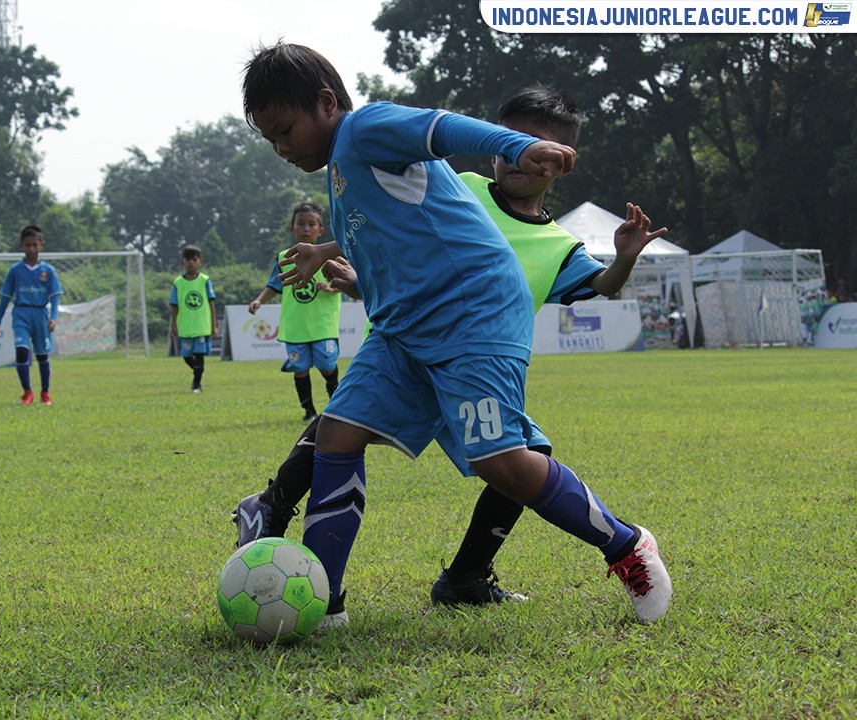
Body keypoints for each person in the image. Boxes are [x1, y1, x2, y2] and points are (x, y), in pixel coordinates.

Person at [239, 43, 672, 629]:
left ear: (325, 102)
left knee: (502, 463)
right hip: (402, 331)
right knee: (336, 434)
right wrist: (326, 252)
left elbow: (439, 127)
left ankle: (627, 547)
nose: (282, 148)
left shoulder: (364, 127)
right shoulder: (342, 178)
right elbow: (399, 244)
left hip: (474, 317)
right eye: (270, 139)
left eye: (285, 130)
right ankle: (325, 599)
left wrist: (519, 145)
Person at [249, 202, 342, 421]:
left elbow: (350, 281)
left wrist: (332, 287)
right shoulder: (284, 258)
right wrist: (259, 300)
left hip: (323, 325)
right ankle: (309, 412)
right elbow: (275, 285)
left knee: (327, 367)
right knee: (300, 369)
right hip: (295, 327)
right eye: (301, 224)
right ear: (292, 228)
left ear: (320, 230)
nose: (306, 229)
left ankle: (337, 410)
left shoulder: (331, 255)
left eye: (312, 224)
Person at [0, 224, 63, 406]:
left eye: (34, 245)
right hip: (21, 313)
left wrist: (53, 317)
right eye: (27, 245)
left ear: (41, 246)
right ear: (21, 246)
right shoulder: (15, 270)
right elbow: (5, 296)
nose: (31, 248)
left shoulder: (48, 271)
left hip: (40, 314)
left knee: (41, 356)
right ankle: (27, 393)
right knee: (22, 351)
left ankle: (45, 393)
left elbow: (55, 296)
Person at [170, 245, 217, 393]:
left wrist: (214, 325)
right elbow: (174, 305)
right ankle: (198, 370)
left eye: (194, 259)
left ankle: (196, 385)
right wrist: (173, 326)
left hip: (202, 326)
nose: (191, 262)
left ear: (200, 262)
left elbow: (211, 303)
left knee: (199, 355)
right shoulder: (178, 282)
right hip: (185, 327)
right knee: (186, 356)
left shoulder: (205, 280)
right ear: (182, 261)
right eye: (188, 259)